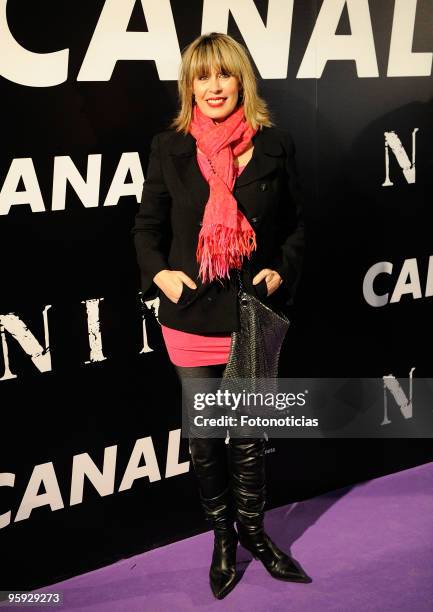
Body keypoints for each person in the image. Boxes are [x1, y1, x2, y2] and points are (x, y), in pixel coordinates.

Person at [132, 32, 310, 600]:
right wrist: (159, 273)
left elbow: (297, 225)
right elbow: (147, 226)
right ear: (189, 86)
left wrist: (282, 268)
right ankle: (222, 541)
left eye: (223, 75)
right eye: (201, 77)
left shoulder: (276, 145)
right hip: (189, 317)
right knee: (207, 439)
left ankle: (255, 534)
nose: (213, 87)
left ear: (241, 80)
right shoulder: (171, 147)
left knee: (248, 436)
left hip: (251, 317)